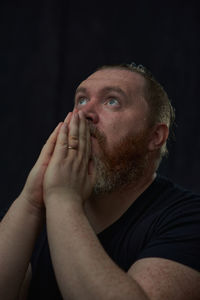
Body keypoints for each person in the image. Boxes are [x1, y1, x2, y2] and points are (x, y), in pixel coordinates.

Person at [0, 63, 200, 300]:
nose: (84, 113)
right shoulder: (39, 215)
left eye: (112, 101)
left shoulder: (188, 217)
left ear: (155, 136)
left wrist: (63, 199)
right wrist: (31, 201)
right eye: (81, 100)